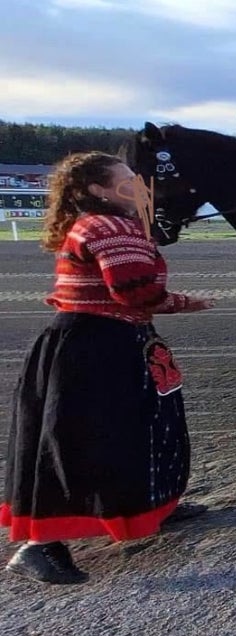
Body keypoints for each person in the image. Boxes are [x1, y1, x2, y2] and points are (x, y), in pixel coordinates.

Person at [1, 152, 215, 584]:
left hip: (109, 341)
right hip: (93, 348)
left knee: (137, 431)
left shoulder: (115, 224)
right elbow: (135, 292)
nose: (137, 184)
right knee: (82, 440)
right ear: (98, 189)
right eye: (126, 178)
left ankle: (151, 507)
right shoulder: (108, 227)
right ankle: (39, 545)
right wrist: (185, 303)